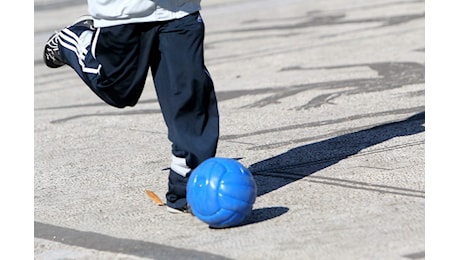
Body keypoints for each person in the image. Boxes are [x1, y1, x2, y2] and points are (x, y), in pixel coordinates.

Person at [43, 0, 220, 213]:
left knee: (189, 92)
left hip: (180, 8)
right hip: (124, 10)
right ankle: (72, 39)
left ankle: (186, 188)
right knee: (117, 90)